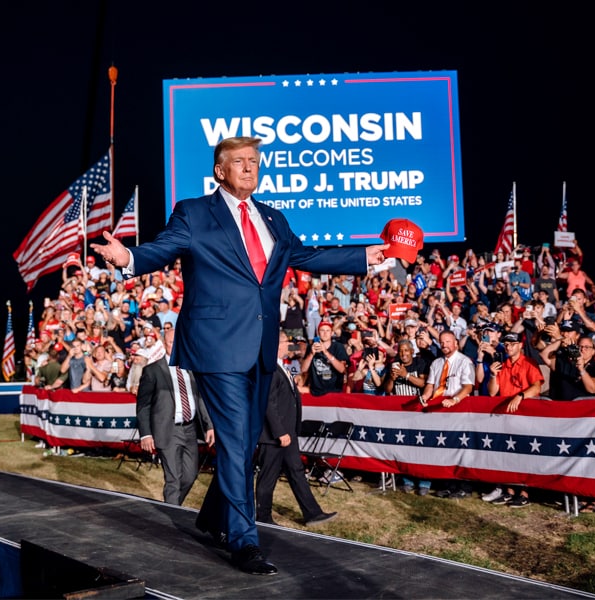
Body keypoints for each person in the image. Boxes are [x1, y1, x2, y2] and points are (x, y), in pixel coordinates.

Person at [90, 136, 388, 575]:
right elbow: (164, 248)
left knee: (246, 442)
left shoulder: (273, 219)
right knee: (234, 442)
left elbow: (305, 256)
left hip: (262, 348)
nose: (249, 168)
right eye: (240, 162)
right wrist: (129, 256)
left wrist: (362, 256)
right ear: (220, 171)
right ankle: (244, 542)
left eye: (254, 162)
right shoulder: (194, 212)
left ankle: (213, 519)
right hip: (217, 346)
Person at [255, 331, 338, 526]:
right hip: (275, 435)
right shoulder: (268, 368)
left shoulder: (281, 367)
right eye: (286, 342)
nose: (289, 346)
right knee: (268, 476)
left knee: (296, 471)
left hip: (288, 432)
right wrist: (279, 432)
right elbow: (268, 403)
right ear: (277, 344)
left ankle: (312, 513)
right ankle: (263, 517)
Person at [136, 327, 215, 506]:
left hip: (190, 430)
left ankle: (173, 507)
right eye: (171, 342)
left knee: (190, 475)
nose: (175, 345)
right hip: (167, 430)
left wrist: (209, 425)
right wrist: (146, 434)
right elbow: (143, 405)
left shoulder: (192, 369)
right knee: (173, 479)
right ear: (164, 344)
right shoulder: (153, 370)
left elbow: (200, 398)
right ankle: (172, 520)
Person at [482, 332, 544, 508]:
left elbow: (537, 386)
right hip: (506, 415)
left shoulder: (528, 363)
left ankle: (524, 493)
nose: (508, 347)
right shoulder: (503, 364)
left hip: (525, 415)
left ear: (520, 345)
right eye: (506, 344)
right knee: (507, 453)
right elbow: (493, 391)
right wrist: (493, 375)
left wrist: (520, 396)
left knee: (524, 453)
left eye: (512, 344)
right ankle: (509, 491)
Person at [419, 330, 476, 498]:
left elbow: (468, 387)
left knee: (461, 449)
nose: (444, 345)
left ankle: (464, 487)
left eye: (448, 341)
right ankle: (447, 484)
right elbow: (430, 384)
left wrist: (455, 399)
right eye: (442, 342)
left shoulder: (465, 362)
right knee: (444, 448)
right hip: (440, 411)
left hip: (459, 410)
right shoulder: (436, 363)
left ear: (456, 343)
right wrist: (425, 396)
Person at [383, 339, 430, 494]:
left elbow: (423, 384)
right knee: (405, 448)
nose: (403, 354)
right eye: (401, 351)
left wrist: (406, 375)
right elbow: (388, 389)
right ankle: (407, 480)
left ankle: (424, 482)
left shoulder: (420, 363)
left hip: (418, 411)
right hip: (401, 413)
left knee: (422, 448)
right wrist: (392, 378)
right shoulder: (394, 365)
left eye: (406, 350)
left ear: (411, 351)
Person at [539, 322, 595, 400]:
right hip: (561, 407)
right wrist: (560, 340)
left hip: (585, 408)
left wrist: (581, 369)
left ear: (593, 351)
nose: (582, 349)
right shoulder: (566, 363)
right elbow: (544, 355)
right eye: (580, 346)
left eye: (587, 347)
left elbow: (594, 389)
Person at [299, 321, 350, 396]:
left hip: (334, 391)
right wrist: (311, 354)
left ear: (332, 333)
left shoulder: (338, 347)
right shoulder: (311, 347)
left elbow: (342, 369)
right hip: (316, 391)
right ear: (318, 333)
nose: (325, 333)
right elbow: (303, 369)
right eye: (322, 330)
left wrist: (326, 352)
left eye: (327, 330)